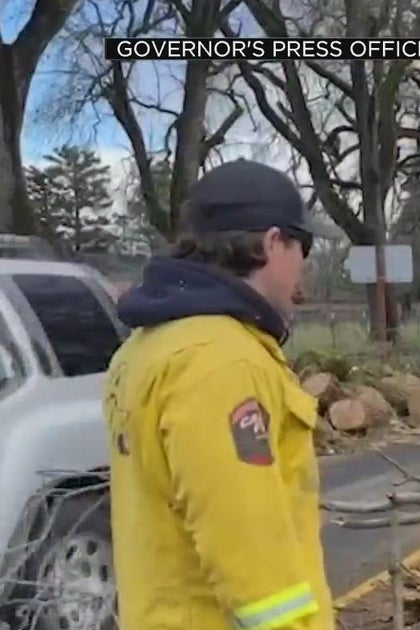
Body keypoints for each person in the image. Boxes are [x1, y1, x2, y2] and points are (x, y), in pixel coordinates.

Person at [103, 159, 341, 629]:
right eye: (303, 249)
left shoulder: (147, 347)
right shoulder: (223, 364)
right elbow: (251, 559)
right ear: (274, 243)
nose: (303, 271)